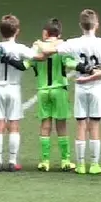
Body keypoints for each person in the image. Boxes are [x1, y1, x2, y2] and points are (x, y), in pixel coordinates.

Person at [40, 10, 101, 174]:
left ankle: (81, 165)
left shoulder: (73, 43)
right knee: (95, 125)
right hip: (97, 87)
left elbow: (48, 51)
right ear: (96, 24)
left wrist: (42, 44)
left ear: (80, 25)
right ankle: (94, 164)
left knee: (81, 125)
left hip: (80, 87)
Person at [0, 15, 35, 172]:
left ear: (0, 31)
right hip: (14, 88)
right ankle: (12, 161)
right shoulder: (20, 49)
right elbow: (37, 57)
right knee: (14, 125)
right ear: (17, 31)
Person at [31, 19, 77, 171]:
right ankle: (65, 161)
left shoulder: (37, 47)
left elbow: (27, 63)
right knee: (61, 125)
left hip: (43, 90)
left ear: (45, 33)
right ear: (59, 34)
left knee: (45, 125)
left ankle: (45, 161)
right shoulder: (63, 48)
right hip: (59, 90)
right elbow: (70, 63)